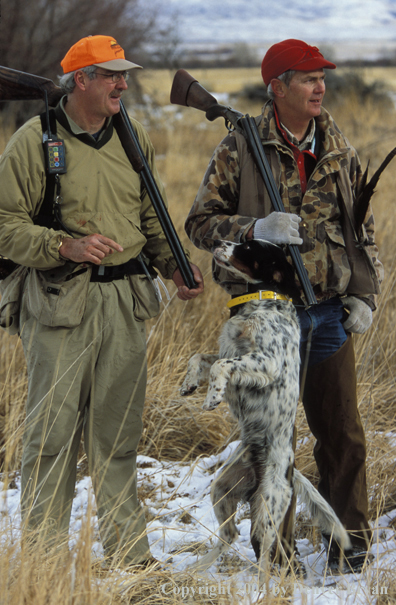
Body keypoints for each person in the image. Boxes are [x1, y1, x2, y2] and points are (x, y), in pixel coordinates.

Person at [0, 35, 203, 568]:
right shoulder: (32, 141)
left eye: (124, 74)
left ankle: (130, 559)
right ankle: (41, 562)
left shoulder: (133, 137)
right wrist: (62, 245)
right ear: (81, 81)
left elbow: (151, 213)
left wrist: (173, 264)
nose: (123, 83)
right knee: (51, 438)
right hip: (60, 303)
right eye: (111, 74)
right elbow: (3, 226)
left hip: (124, 304)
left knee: (118, 438)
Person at [185, 39, 383, 574]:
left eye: (323, 77)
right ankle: (276, 551)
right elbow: (199, 224)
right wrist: (255, 228)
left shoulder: (339, 148)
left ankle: (352, 545)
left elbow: (362, 232)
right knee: (275, 442)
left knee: (343, 432)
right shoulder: (240, 147)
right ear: (278, 87)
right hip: (269, 316)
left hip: (328, 314)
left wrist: (366, 294)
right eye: (307, 78)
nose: (321, 87)